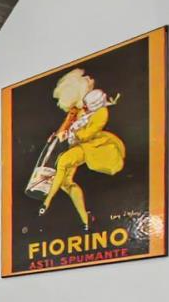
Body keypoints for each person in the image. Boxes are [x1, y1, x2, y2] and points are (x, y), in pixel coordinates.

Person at [40, 68, 124, 229]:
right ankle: (86, 219)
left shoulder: (101, 114)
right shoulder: (81, 110)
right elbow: (68, 124)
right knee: (65, 183)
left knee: (63, 162)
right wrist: (57, 135)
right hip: (75, 145)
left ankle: (47, 201)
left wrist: (73, 134)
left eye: (87, 106)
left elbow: (87, 134)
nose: (83, 107)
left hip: (90, 147)